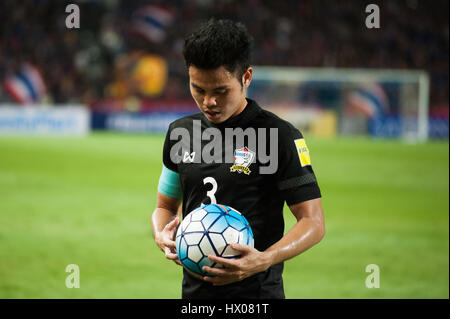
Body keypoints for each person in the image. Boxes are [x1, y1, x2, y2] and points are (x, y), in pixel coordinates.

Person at [151, 18, 325, 299]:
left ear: (246, 77)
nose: (209, 101)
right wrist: (161, 233)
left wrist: (265, 259)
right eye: (198, 89)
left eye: (221, 91)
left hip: (258, 295)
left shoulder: (278, 135)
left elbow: (313, 222)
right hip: (195, 297)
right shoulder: (180, 133)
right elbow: (165, 207)